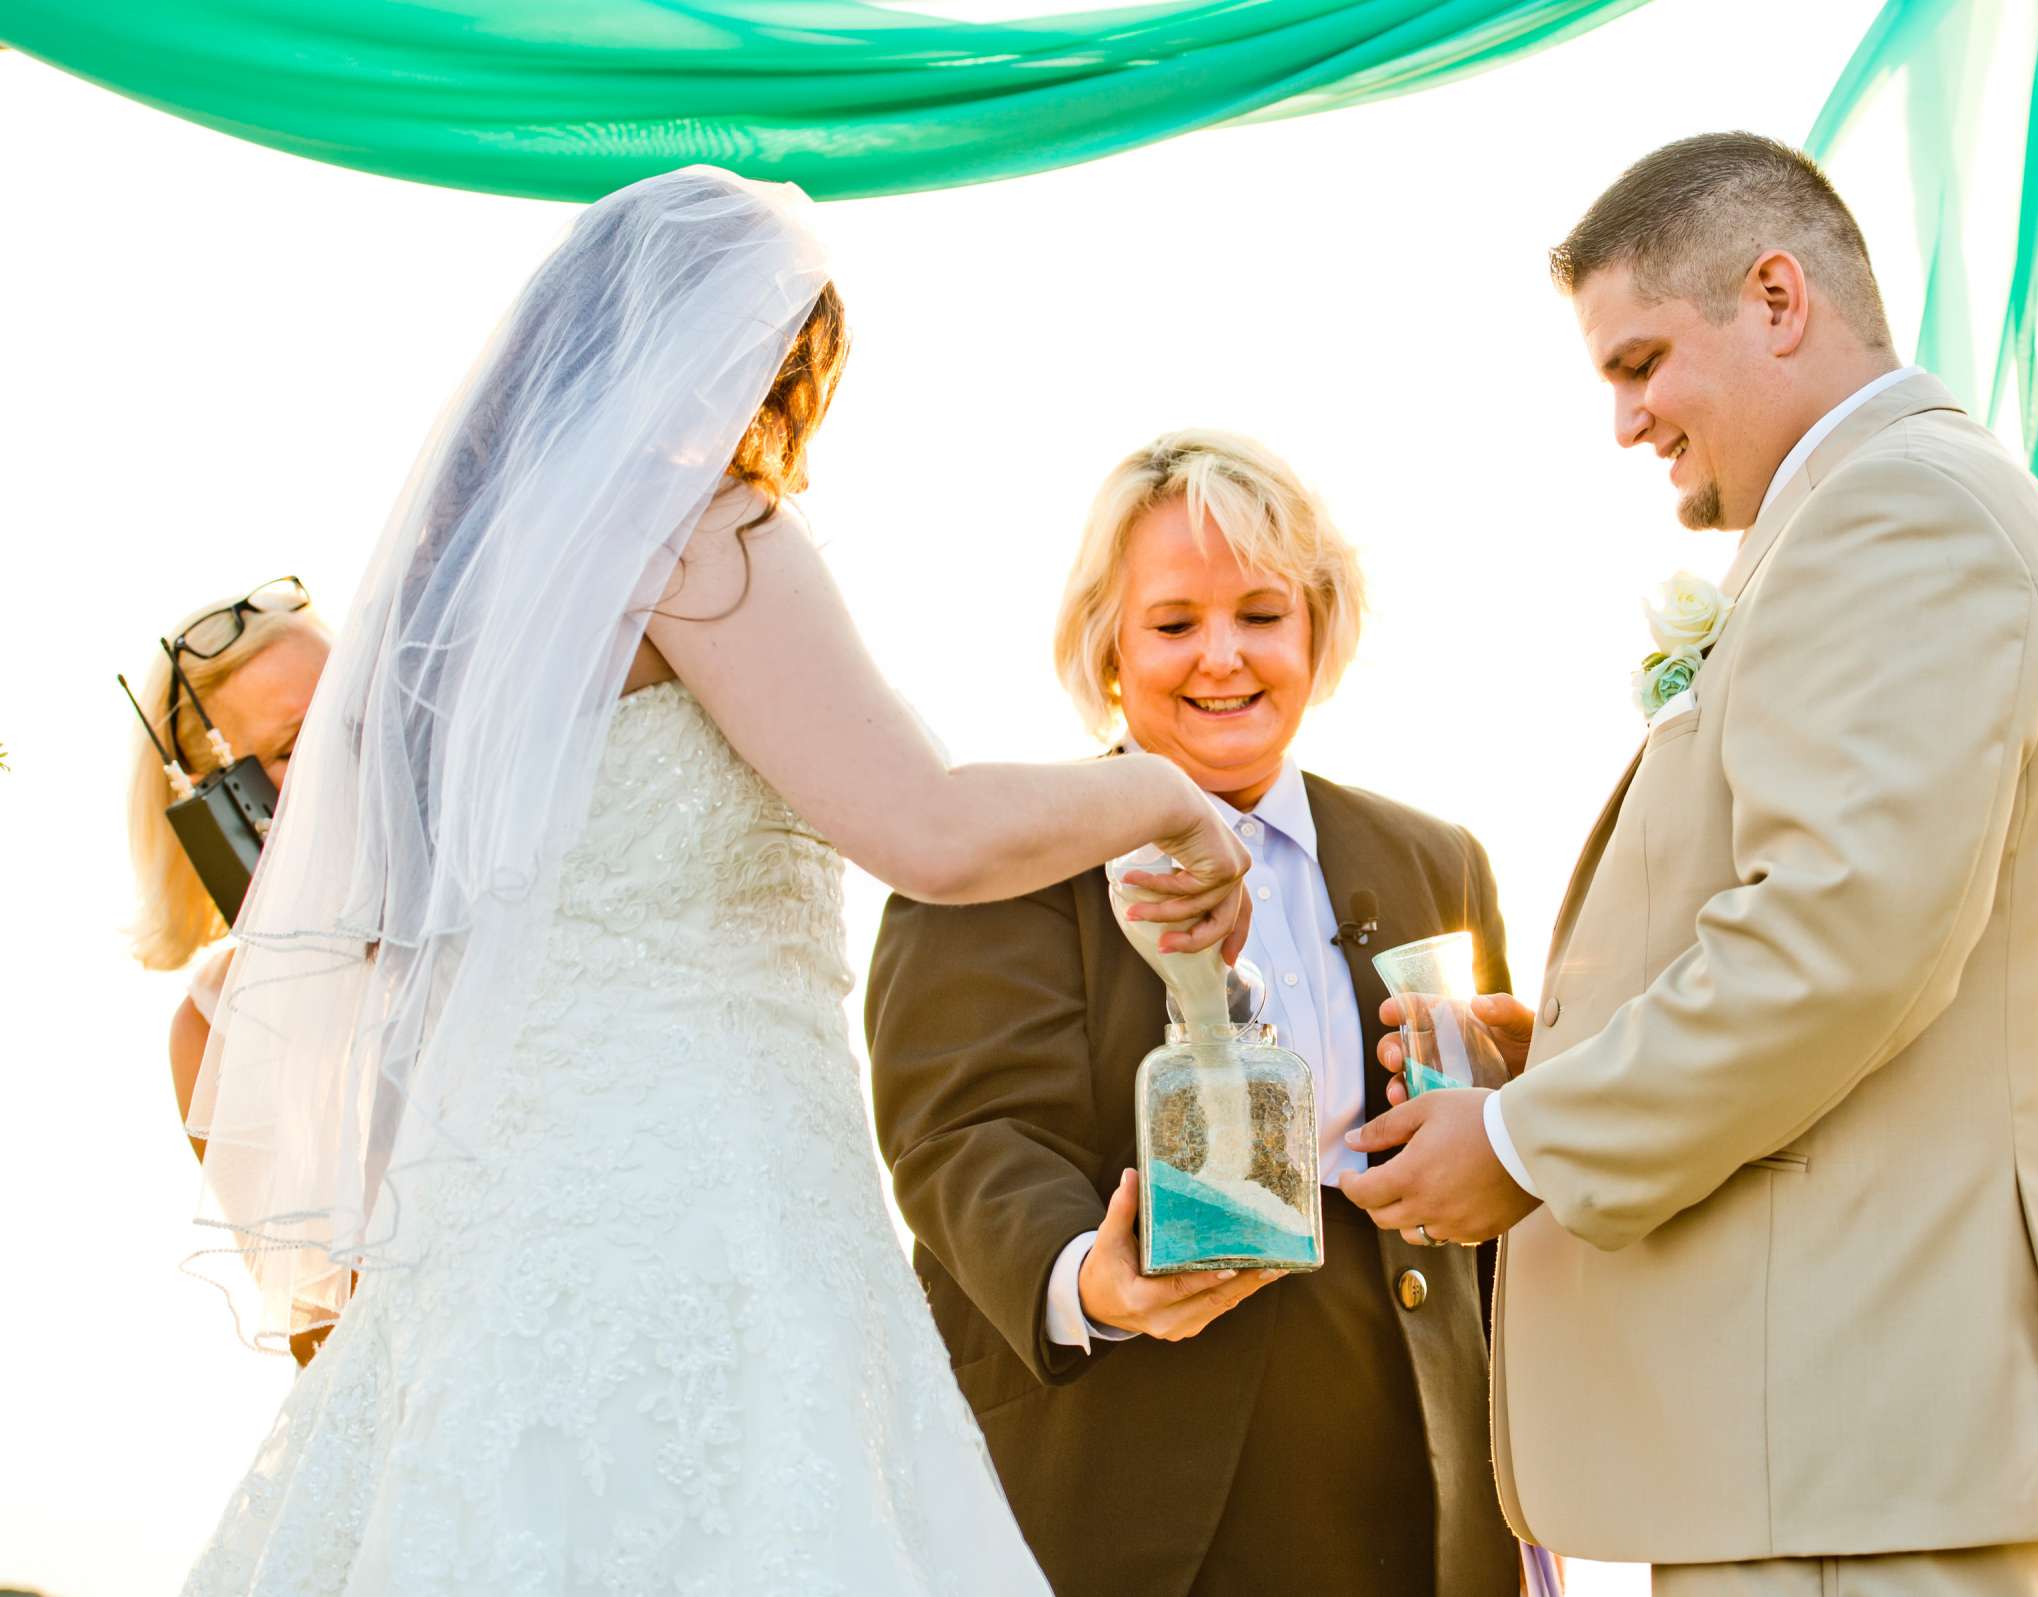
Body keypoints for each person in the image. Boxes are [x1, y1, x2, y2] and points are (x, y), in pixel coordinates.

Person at [178, 166, 1250, 1597]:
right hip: (718, 1209)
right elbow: (928, 826)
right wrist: (1166, 794)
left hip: (504, 1238)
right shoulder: (696, 530)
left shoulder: (467, 611)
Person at [1340, 132, 2038, 1595]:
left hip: (1852, 1470)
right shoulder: (1892, 513)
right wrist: (1561, 1048)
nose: (1625, 419)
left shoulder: (1894, 516)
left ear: (1778, 297)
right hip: (1826, 1463)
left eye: (1643, 358)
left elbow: (1839, 943)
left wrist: (1528, 1146)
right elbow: (1878, 938)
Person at [866, 431, 1519, 1597]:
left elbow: (1488, 1162)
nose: (1222, 657)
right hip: (1133, 1476)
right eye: (1173, 624)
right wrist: (1088, 1278)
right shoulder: (997, 855)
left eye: (1261, 613)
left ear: (1318, 631)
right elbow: (962, 1136)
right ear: (1109, 650)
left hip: (1413, 1481)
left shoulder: (1436, 858)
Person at [125, 578, 330, 1167]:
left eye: (352, 706)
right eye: (294, 747)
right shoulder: (214, 1034)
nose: (357, 744)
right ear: (222, 807)